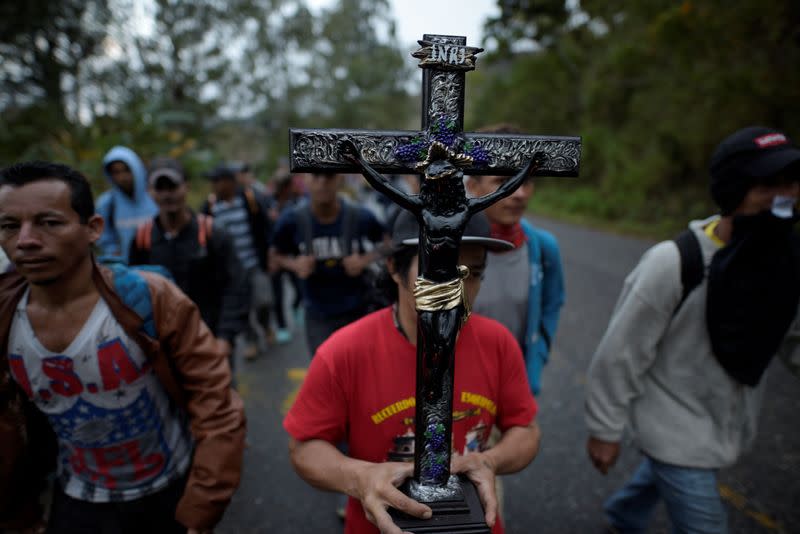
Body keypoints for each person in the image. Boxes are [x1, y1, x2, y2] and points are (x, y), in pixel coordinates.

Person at [0, 161, 246, 533]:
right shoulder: (5, 319)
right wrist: (18, 514)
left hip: (170, 491)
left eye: (50, 223)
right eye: (9, 226)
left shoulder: (151, 299)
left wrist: (200, 510)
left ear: (93, 229)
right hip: (79, 500)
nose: (26, 240)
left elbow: (217, 405)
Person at [585, 126, 800, 533]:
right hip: (672, 424)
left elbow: (792, 335)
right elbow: (621, 352)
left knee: (672, 470)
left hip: (722, 422)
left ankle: (625, 514)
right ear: (735, 190)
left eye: (790, 183)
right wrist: (604, 430)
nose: (783, 195)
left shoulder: (785, 260)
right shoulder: (674, 262)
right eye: (766, 185)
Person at [284, 210, 541, 534]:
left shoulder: (497, 343)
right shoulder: (344, 352)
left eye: (473, 273)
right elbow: (304, 446)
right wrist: (359, 477)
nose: (456, 290)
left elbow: (526, 430)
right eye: (438, 270)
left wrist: (490, 461)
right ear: (395, 268)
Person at [466, 125, 565, 396]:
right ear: (473, 186)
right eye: (502, 181)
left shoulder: (543, 248)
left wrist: (537, 356)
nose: (519, 193)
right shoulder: (452, 248)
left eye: (526, 181)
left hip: (516, 389)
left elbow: (552, 304)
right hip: (460, 391)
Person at [128, 157, 249, 374]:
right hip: (164, 347)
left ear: (186, 187)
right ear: (150, 192)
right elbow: (133, 294)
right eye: (160, 187)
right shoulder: (142, 240)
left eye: (173, 186)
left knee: (219, 403)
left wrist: (225, 337)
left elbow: (236, 285)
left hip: (210, 340)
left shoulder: (212, 234)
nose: (167, 194)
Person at [271, 171, 387, 358]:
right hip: (317, 314)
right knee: (327, 371)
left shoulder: (359, 216)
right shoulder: (292, 219)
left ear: (340, 178)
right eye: (316, 176)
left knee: (360, 369)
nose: (322, 183)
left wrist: (364, 260)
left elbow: (388, 244)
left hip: (358, 310)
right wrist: (295, 264)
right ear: (304, 179)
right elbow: (273, 258)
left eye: (329, 176)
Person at [201, 163, 274, 360]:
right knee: (241, 308)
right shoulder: (209, 207)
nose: (214, 186)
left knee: (264, 301)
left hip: (254, 263)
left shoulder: (249, 200)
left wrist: (270, 255)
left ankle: (266, 326)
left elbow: (265, 228)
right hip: (230, 272)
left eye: (217, 181)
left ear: (229, 182)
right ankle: (251, 340)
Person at [95, 146, 159, 262]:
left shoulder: (155, 196)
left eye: (126, 170)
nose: (122, 177)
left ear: (137, 169)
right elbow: (104, 238)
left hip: (159, 264)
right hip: (127, 270)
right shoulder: (107, 203)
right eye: (116, 172)